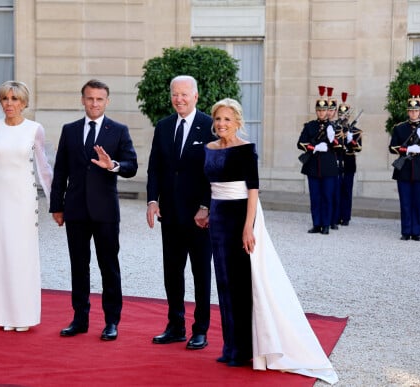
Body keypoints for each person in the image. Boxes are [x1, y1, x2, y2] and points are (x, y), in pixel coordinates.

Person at [204, 98, 338, 384]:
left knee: (242, 284)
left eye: (227, 119)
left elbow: (253, 190)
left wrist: (248, 227)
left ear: (238, 122)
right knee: (224, 283)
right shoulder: (209, 148)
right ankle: (231, 348)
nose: (221, 124)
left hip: (240, 215)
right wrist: (205, 211)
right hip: (217, 218)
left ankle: (245, 349)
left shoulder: (245, 150)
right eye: (218, 119)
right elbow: (210, 187)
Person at [50, 79, 138, 341]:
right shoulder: (70, 130)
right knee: (79, 266)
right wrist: (57, 205)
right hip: (75, 210)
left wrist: (113, 166)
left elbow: (131, 166)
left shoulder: (118, 131)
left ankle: (111, 321)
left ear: (107, 101)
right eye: (90, 98)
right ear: (83, 100)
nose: (95, 103)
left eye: (100, 99)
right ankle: (80, 319)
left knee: (109, 266)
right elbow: (60, 171)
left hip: (105, 212)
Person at [0, 80, 53, 332]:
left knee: (23, 255)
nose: (9, 104)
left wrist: (56, 203)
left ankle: (25, 316)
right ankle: (6, 317)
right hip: (1, 198)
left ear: (24, 103)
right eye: (5, 99)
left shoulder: (34, 129)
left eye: (14, 99)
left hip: (23, 199)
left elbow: (43, 168)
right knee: (4, 254)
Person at [146, 75, 214, 350]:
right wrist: (152, 200)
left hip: (200, 217)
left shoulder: (210, 125)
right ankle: (175, 326)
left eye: (185, 94)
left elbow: (215, 171)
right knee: (172, 273)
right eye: (175, 94)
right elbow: (155, 168)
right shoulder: (162, 127)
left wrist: (206, 206)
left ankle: (200, 330)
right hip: (170, 214)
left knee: (201, 274)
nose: (179, 99)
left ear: (196, 96)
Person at [389, 84, 420, 241]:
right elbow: (392, 147)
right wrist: (408, 150)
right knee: (406, 202)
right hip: (404, 169)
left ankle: (416, 231)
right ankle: (406, 231)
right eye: (411, 110)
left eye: (416, 110)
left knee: (418, 201)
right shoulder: (400, 128)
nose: (413, 113)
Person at [297, 86, 340, 235]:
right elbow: (300, 143)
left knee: (327, 196)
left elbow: (340, 147)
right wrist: (313, 147)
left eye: (324, 110)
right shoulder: (310, 126)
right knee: (315, 197)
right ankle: (316, 224)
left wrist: (331, 138)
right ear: (316, 111)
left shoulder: (334, 127)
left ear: (328, 111)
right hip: (313, 166)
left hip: (328, 167)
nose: (321, 113)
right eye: (319, 110)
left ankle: (326, 224)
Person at [338, 92, 363, 226]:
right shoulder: (335, 129)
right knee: (336, 191)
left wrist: (351, 139)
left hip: (348, 163)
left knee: (347, 191)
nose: (343, 117)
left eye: (345, 115)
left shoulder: (356, 131)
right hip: (337, 163)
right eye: (341, 115)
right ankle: (336, 215)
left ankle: (345, 217)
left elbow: (358, 148)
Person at [326, 87, 343, 230]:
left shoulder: (338, 127)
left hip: (335, 162)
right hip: (323, 162)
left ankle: (333, 219)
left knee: (333, 193)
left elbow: (341, 146)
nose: (329, 113)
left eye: (332, 110)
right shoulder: (321, 126)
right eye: (328, 110)